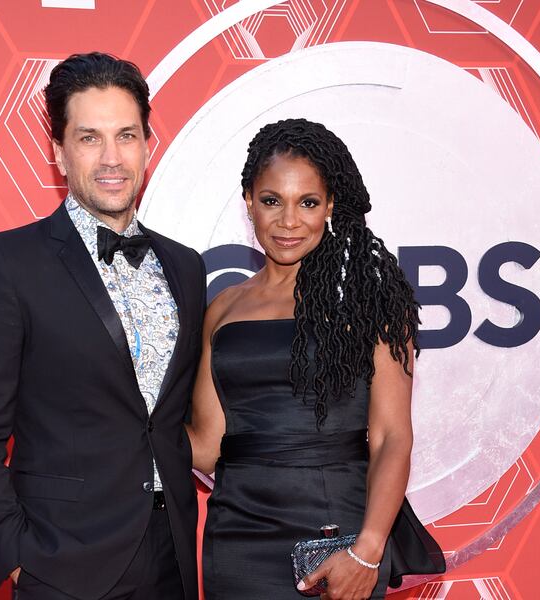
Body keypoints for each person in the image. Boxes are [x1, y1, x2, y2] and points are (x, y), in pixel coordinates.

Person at [0, 52, 205, 600]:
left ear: (148, 146)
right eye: (90, 138)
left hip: (171, 551)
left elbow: (174, 416)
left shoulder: (186, 265)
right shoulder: (9, 263)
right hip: (61, 559)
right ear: (59, 153)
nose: (112, 158)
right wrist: (12, 552)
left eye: (127, 136)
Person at [187, 119, 445, 599]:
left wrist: (368, 550)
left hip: (336, 540)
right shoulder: (221, 308)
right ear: (249, 202)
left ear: (329, 205)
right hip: (237, 540)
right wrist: (120, 420)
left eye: (307, 202)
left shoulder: (370, 300)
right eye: (271, 201)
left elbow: (392, 437)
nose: (288, 221)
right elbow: (205, 445)